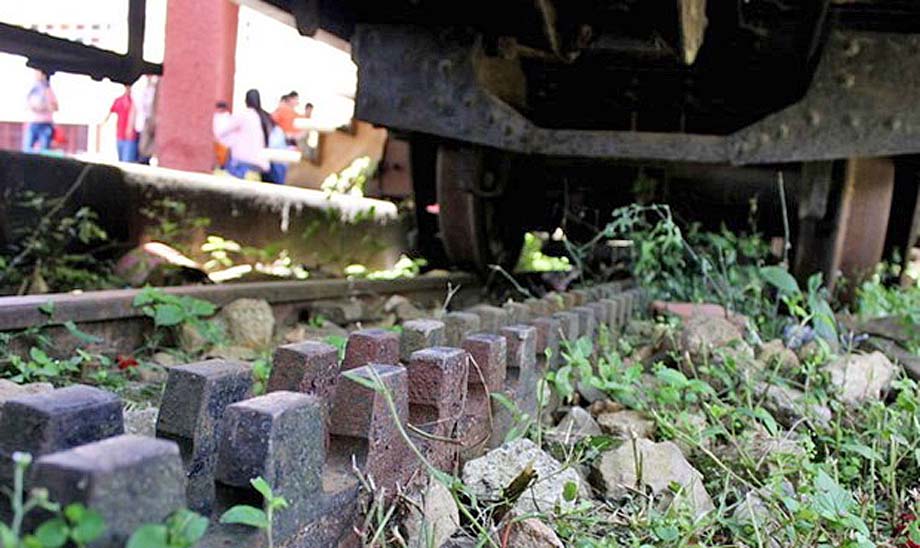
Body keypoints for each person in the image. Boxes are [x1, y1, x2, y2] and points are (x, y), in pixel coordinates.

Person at [215, 89, 271, 180]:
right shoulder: (261, 117)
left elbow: (221, 131)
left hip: (243, 161)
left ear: (246, 101)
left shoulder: (244, 115)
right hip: (259, 165)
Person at [22, 70, 58, 153]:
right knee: (27, 149)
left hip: (45, 123)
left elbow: (55, 107)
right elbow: (27, 103)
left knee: (45, 150)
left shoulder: (48, 89)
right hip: (33, 122)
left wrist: (44, 107)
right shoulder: (33, 89)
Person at [104, 84, 139, 162]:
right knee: (121, 160)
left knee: (128, 161)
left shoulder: (135, 101)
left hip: (131, 137)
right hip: (120, 136)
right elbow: (110, 112)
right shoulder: (119, 100)